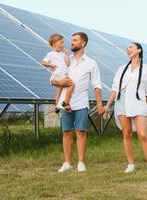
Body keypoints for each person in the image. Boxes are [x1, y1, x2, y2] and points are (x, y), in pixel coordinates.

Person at [103, 43, 147, 174]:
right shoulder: (122, 68)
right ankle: (130, 164)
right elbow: (115, 88)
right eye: (127, 47)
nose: (128, 49)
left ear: (139, 50)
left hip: (138, 103)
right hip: (122, 102)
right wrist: (107, 105)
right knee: (126, 133)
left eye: (131, 47)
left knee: (143, 134)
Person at [57, 32, 104, 173]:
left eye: (75, 40)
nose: (72, 42)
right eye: (71, 40)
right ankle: (67, 162)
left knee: (81, 132)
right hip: (65, 102)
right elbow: (57, 80)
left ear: (83, 43)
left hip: (81, 103)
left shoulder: (91, 63)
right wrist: (57, 100)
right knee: (66, 132)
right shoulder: (66, 61)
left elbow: (97, 85)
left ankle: (81, 163)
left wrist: (100, 105)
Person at [41, 34, 75, 112]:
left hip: (63, 75)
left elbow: (68, 64)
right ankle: (66, 103)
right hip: (57, 75)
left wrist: (67, 54)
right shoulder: (51, 54)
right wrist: (50, 65)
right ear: (54, 44)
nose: (63, 45)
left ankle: (56, 106)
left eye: (63, 42)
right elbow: (42, 62)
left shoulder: (63, 54)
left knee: (60, 90)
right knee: (72, 84)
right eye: (61, 42)